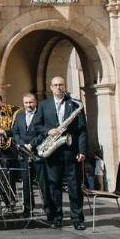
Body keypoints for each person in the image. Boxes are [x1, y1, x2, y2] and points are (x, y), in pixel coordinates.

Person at [35, 76, 89, 230]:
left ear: (65, 86)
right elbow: (37, 126)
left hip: (71, 151)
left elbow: (82, 129)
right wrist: (48, 131)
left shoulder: (75, 104)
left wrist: (82, 151)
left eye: (61, 85)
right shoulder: (44, 105)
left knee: (75, 186)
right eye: (55, 85)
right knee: (54, 186)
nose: (58, 87)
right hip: (53, 151)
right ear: (51, 87)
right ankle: (57, 217)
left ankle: (77, 218)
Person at [12, 92, 45, 218]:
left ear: (36, 102)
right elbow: (15, 133)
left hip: (38, 153)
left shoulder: (40, 115)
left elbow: (43, 134)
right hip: (24, 154)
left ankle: (49, 210)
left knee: (43, 183)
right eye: (26, 103)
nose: (28, 105)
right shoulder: (19, 116)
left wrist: (31, 144)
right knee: (26, 183)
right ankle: (27, 209)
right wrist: (21, 144)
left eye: (31, 102)